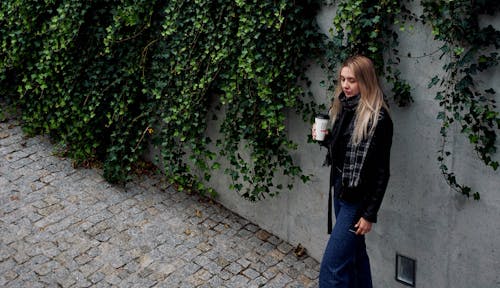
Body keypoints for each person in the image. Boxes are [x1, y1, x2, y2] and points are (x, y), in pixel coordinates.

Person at [312, 55, 393, 287]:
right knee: (355, 258)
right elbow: (340, 150)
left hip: (357, 200)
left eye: (352, 81)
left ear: (366, 82)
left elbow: (381, 172)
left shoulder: (379, 119)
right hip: (341, 188)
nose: (345, 85)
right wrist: (323, 139)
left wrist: (369, 214)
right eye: (343, 79)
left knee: (332, 268)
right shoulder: (344, 107)